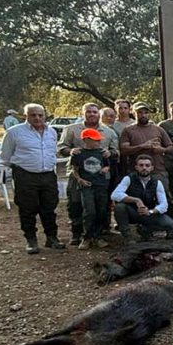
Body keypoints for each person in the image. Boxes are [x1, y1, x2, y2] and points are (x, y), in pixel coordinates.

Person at [0, 103, 65, 254]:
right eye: (33, 115)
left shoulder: (52, 132)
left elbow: (52, 152)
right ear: (25, 116)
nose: (37, 118)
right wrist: (22, 169)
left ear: (45, 115)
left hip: (48, 175)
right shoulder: (13, 133)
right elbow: (5, 157)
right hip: (25, 175)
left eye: (40, 115)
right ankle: (31, 239)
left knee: (49, 207)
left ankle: (52, 238)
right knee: (27, 208)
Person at [58, 103, 119, 245]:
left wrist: (111, 153)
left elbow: (116, 151)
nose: (92, 114)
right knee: (75, 203)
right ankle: (77, 233)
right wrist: (70, 151)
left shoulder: (108, 132)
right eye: (89, 112)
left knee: (100, 205)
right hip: (78, 173)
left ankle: (98, 233)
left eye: (95, 112)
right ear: (83, 113)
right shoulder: (71, 129)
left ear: (99, 114)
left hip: (100, 175)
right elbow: (61, 148)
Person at [119, 102, 173, 220]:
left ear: (149, 114)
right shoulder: (128, 130)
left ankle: (170, 225)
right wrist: (142, 146)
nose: (143, 115)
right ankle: (142, 226)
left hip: (158, 169)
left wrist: (161, 149)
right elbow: (124, 150)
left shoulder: (158, 129)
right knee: (137, 198)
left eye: (145, 112)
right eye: (140, 112)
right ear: (134, 114)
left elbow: (171, 147)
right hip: (136, 171)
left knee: (164, 197)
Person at [111, 154, 173, 242]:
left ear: (152, 168)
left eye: (147, 165)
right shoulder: (129, 178)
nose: (144, 168)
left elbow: (164, 205)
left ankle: (146, 230)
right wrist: (136, 200)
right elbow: (115, 195)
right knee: (120, 207)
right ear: (136, 167)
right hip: (132, 212)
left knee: (169, 224)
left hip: (148, 213)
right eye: (141, 165)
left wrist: (150, 211)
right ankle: (128, 236)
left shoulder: (157, 183)